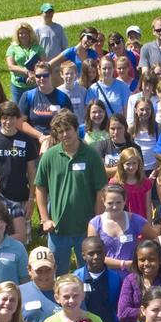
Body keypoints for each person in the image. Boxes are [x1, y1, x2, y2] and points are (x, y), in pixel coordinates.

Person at [35, 110, 107, 274]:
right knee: (57, 275)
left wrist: (96, 222)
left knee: (89, 274)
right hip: (58, 228)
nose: (64, 134)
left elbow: (101, 190)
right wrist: (45, 219)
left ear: (76, 129)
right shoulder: (50, 156)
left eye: (68, 129)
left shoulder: (91, 155)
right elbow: (40, 187)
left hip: (85, 229)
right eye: (60, 132)